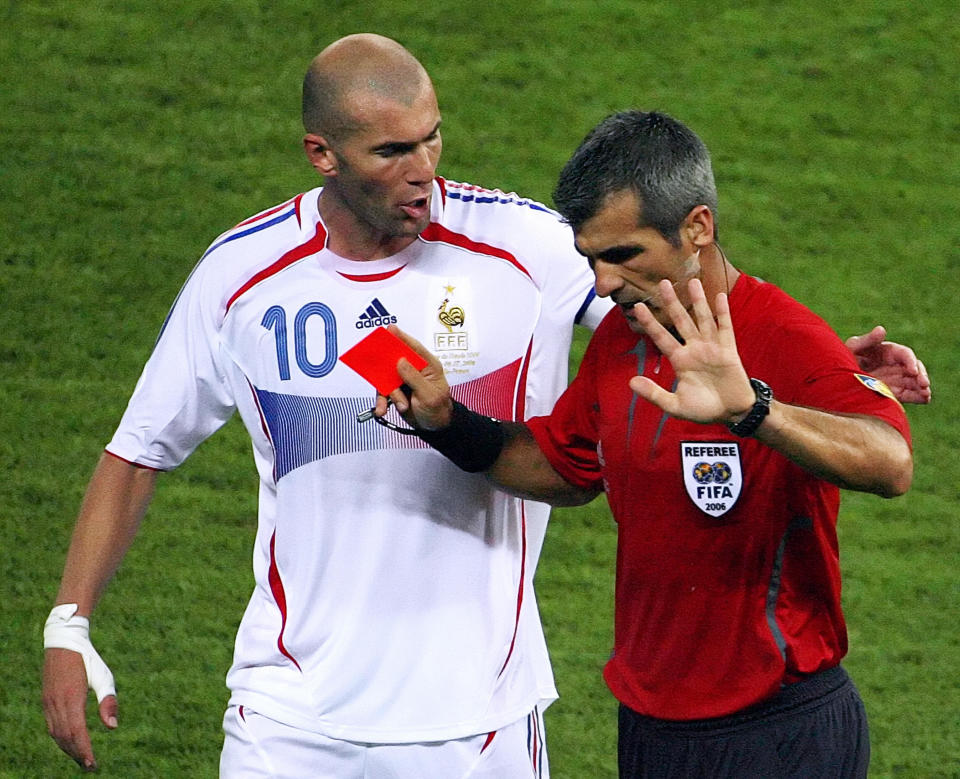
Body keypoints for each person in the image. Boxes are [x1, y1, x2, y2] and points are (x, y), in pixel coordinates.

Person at [41, 35, 927, 776]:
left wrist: (818, 369)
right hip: (289, 716)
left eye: (433, 140)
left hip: (487, 723)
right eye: (392, 153)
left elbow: (688, 309)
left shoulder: (523, 245)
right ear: (324, 154)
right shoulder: (242, 276)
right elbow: (139, 447)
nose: (422, 170)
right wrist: (69, 623)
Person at [383, 110, 915, 778]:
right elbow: (564, 465)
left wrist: (752, 409)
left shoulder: (785, 335)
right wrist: (445, 422)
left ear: (697, 227)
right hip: (653, 729)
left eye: (622, 255)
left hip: (779, 731)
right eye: (590, 259)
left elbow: (890, 461)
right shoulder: (619, 340)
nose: (602, 283)